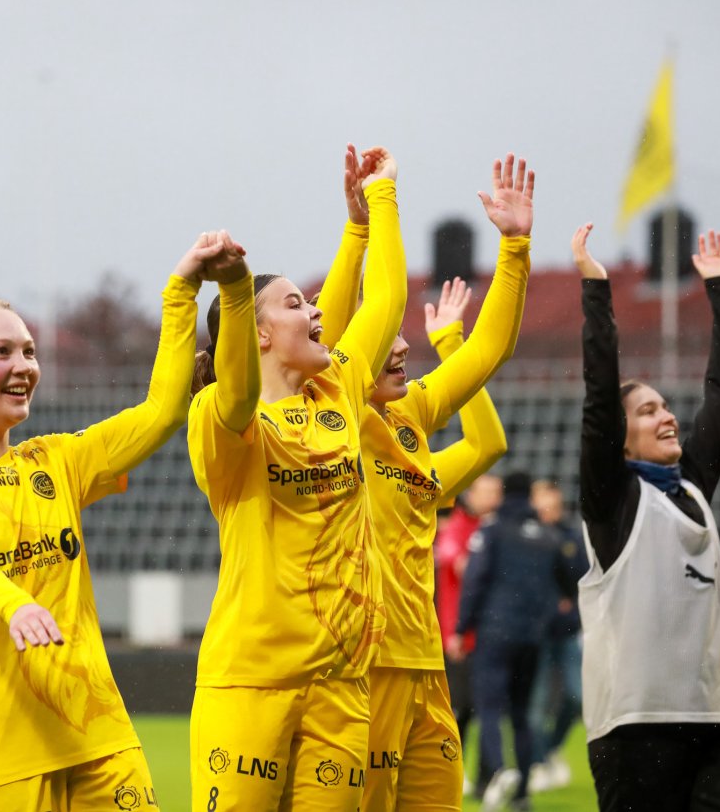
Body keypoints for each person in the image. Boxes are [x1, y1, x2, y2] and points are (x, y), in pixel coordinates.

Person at [0, 233, 238, 810]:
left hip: (102, 741)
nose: (24, 367)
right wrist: (14, 603)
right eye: (2, 353)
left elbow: (162, 411)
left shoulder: (56, 461)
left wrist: (183, 290)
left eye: (29, 352)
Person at [187, 146, 406, 811]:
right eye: (294, 303)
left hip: (343, 684)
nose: (315, 311)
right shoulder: (223, 418)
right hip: (252, 682)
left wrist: (379, 204)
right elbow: (232, 386)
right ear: (256, 335)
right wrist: (231, 285)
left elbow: (387, 297)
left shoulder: (336, 387)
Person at [315, 149, 533, 812]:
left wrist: (515, 250)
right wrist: (369, 213)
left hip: (426, 664)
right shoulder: (336, 416)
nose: (403, 346)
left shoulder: (409, 417)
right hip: (365, 665)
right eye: (389, 342)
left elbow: (489, 353)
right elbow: (356, 304)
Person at [573, 223, 720, 811]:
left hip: (717, 727)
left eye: (667, 407)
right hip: (634, 730)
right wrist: (596, 293)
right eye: (648, 410)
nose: (668, 417)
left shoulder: (691, 486)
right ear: (621, 437)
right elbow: (601, 398)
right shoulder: (612, 501)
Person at [452, 471, 574, 812]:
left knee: (488, 706)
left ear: (505, 495)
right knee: (520, 714)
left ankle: (500, 770)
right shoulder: (548, 536)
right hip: (532, 638)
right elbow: (568, 580)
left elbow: (475, 581)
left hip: (495, 633)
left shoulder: (492, 531)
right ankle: (521, 793)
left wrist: (462, 629)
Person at [435, 473, 503, 760]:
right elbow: (462, 566)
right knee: (457, 707)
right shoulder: (460, 526)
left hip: (487, 633)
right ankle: (449, 764)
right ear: (471, 494)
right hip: (457, 633)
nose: (492, 498)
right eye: (486, 491)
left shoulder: (493, 529)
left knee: (482, 709)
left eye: (496, 491)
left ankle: (481, 775)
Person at [527, 478, 587, 792]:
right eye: (543, 503)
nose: (549, 509)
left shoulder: (571, 538)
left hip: (565, 632)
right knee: (534, 706)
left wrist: (571, 611)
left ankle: (549, 749)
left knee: (577, 697)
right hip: (535, 634)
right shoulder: (526, 537)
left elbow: (583, 582)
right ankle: (538, 763)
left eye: (553, 503)